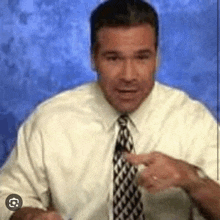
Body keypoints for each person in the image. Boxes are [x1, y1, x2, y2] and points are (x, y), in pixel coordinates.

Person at [0, 0, 219, 219]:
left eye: (142, 57)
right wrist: (27, 214)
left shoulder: (193, 121)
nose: (128, 76)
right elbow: (8, 196)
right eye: (113, 58)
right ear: (93, 58)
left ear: (157, 57)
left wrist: (193, 180)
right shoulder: (50, 120)